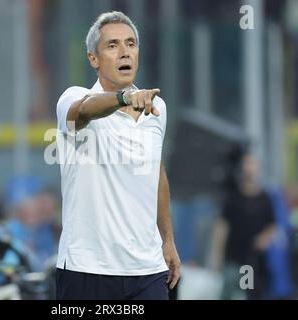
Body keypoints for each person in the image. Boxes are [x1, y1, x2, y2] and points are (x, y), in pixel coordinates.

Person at [55, 11, 180, 300]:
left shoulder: (155, 108)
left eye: (131, 44)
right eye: (112, 45)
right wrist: (123, 98)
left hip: (146, 269)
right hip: (87, 268)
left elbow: (156, 174)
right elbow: (82, 112)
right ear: (93, 59)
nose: (125, 52)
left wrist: (168, 240)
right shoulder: (73, 98)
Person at [214, 153, 277, 299]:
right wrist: (218, 256)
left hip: (252, 260)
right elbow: (222, 227)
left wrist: (264, 238)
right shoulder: (233, 197)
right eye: (246, 165)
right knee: (229, 293)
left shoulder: (264, 198)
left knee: (247, 293)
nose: (249, 169)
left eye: (252, 165)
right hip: (233, 257)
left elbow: (272, 225)